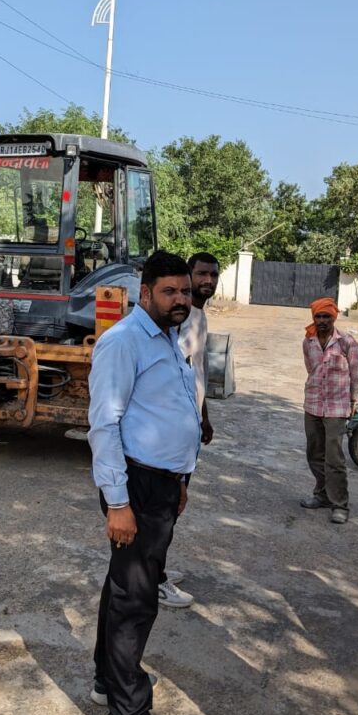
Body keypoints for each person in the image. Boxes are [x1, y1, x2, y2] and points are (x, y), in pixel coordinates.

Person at [88, 250, 201, 715]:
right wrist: (118, 502)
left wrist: (180, 476)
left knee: (125, 587)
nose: (181, 299)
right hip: (134, 488)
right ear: (145, 291)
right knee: (136, 600)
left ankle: (105, 679)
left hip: (161, 486)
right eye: (170, 292)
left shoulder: (171, 337)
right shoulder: (124, 342)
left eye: (185, 291)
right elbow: (104, 426)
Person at [157, 252, 220, 609]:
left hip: (189, 427)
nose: (208, 281)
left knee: (172, 507)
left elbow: (194, 371)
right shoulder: (177, 318)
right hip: (171, 430)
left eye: (213, 274)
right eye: (201, 274)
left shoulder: (198, 316)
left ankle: (157, 568)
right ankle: (155, 579)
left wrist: (204, 416)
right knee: (165, 507)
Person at [301, 297, 358, 524]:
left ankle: (340, 505)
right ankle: (322, 495)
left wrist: (353, 400)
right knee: (314, 454)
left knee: (334, 459)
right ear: (313, 318)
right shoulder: (308, 342)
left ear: (334, 317)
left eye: (326, 316)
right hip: (313, 404)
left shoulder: (347, 342)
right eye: (318, 316)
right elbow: (311, 369)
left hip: (337, 408)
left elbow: (356, 374)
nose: (322, 320)